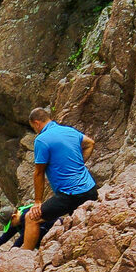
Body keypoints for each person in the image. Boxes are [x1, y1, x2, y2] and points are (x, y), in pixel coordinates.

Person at [22, 107, 97, 249]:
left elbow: (38, 173)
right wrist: (79, 163)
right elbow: (90, 143)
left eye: (34, 127)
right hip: (91, 189)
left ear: (36, 123)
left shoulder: (42, 140)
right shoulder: (69, 130)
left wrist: (37, 202)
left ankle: (23, 256)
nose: (35, 131)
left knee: (31, 218)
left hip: (71, 195)